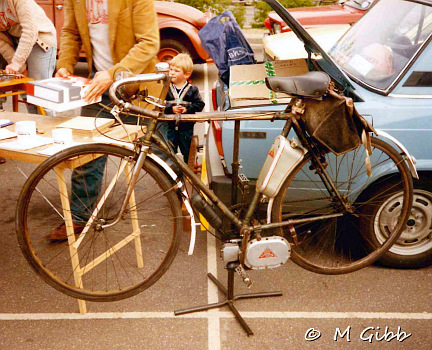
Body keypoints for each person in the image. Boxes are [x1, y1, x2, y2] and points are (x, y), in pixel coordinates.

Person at [47, 0, 160, 241]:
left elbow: (149, 43)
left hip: (135, 86)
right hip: (96, 87)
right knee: (88, 153)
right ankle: (79, 216)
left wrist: (112, 74)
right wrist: (64, 64)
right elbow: (70, 32)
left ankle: (186, 194)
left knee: (156, 148)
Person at [0, 0, 57, 113]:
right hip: (15, 40)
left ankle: (47, 128)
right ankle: (34, 126)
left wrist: (17, 63)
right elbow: (1, 42)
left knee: (39, 93)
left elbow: (30, 31)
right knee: (27, 93)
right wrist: (19, 67)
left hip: (39, 38)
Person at [164, 53, 204, 162]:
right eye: (171, 70)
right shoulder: (166, 88)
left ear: (186, 75)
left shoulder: (192, 90)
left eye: (176, 71)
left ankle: (189, 168)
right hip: (170, 127)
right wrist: (170, 108)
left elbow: (200, 104)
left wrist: (187, 109)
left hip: (186, 128)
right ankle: (171, 171)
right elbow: (160, 104)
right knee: (169, 151)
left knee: (187, 151)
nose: (172, 73)